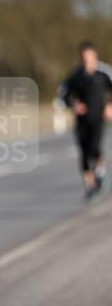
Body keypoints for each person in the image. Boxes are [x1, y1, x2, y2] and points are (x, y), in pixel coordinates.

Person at [58, 41, 112, 200]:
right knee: (83, 152)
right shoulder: (76, 76)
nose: (86, 59)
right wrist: (73, 104)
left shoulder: (103, 73)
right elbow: (63, 94)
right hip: (81, 121)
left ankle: (100, 174)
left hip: (98, 118)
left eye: (89, 56)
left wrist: (109, 106)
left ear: (95, 56)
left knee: (94, 147)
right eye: (83, 56)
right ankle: (90, 186)